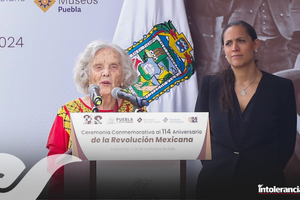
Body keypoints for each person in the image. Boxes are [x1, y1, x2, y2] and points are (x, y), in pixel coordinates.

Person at [195, 20, 297, 199]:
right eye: (228, 43)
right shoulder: (210, 85)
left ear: (255, 44)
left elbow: (287, 142)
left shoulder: (281, 87)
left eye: (241, 40)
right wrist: (216, 167)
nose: (234, 47)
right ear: (224, 50)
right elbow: (201, 136)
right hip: (215, 185)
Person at [46, 40, 145, 198]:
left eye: (113, 66)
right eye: (98, 67)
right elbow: (54, 168)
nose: (106, 73)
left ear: (123, 75)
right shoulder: (67, 113)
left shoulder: (136, 111)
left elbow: (148, 163)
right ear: (88, 75)